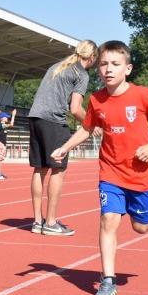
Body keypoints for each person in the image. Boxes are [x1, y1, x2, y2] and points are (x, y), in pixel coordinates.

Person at [51, 40, 148, 295]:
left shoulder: (141, 95)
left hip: (139, 174)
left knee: (141, 227)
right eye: (103, 64)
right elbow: (87, 128)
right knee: (108, 220)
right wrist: (65, 147)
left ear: (128, 68)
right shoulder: (96, 99)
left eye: (115, 64)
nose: (108, 69)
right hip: (110, 172)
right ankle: (107, 281)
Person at [28, 39, 98, 236]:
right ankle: (50, 222)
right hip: (53, 121)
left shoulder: (57, 66)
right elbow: (75, 108)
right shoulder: (81, 74)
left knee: (39, 169)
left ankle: (37, 221)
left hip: (35, 118)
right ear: (92, 57)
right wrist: (93, 123)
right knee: (58, 169)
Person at [0, 109, 16, 180]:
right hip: (0, 144)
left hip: (1, 144)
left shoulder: (1, 125)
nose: (7, 118)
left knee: (0, 159)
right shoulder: (2, 125)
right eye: (6, 117)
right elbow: (11, 124)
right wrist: (13, 116)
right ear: (2, 118)